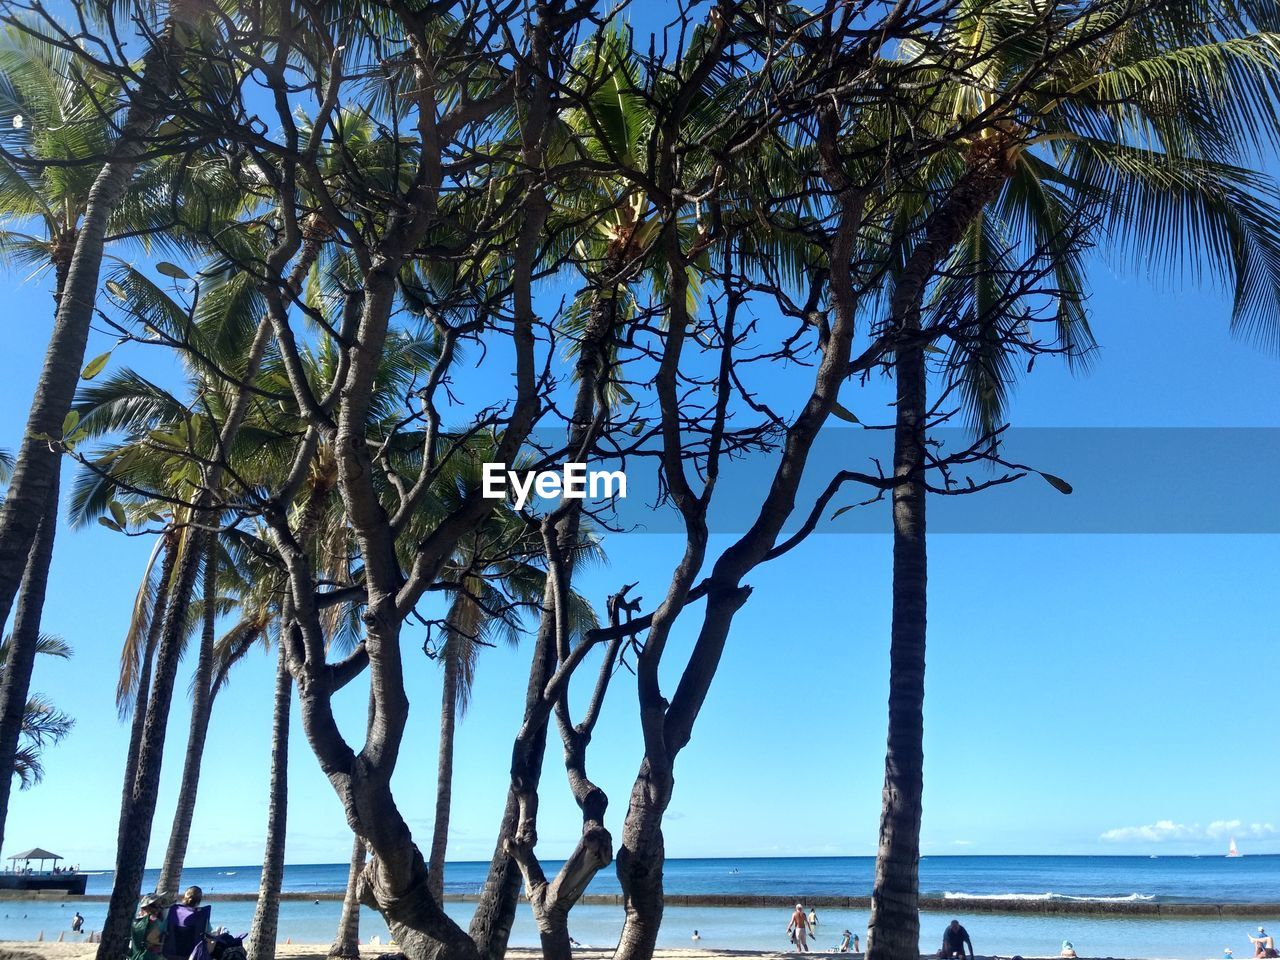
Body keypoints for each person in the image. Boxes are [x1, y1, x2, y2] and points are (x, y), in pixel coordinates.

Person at [164, 886, 211, 960]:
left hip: (171, 953)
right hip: (193, 955)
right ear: (199, 900)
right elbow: (208, 933)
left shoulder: (173, 910)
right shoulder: (201, 915)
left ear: (184, 897)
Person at [131, 895, 166, 960]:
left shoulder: (134, 922)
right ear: (145, 907)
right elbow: (154, 947)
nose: (158, 909)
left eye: (160, 906)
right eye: (154, 906)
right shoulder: (155, 922)